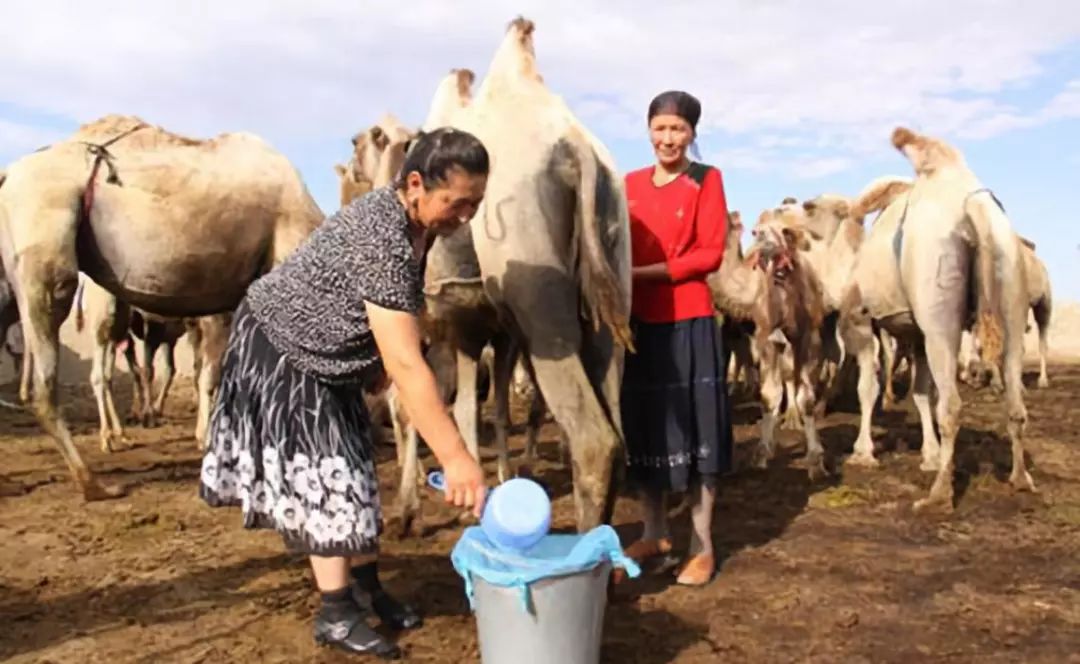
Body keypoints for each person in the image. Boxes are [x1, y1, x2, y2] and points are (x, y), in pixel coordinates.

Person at [198, 127, 491, 658]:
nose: (465, 217)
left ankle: (365, 586)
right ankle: (335, 611)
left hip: (332, 357)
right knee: (328, 478)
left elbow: (392, 326)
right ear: (418, 184)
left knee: (358, 469)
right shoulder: (382, 233)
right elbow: (408, 361)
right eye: (457, 203)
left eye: (476, 204)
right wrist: (455, 456)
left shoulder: (416, 226)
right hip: (284, 349)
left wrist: (374, 359)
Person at [618, 90, 735, 587]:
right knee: (645, 430)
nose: (668, 139)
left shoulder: (706, 180)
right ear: (648, 130)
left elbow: (709, 254)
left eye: (678, 130)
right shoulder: (627, 185)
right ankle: (655, 532)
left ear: (692, 134)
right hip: (638, 325)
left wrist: (640, 274)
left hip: (688, 320)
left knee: (697, 430)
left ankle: (702, 543)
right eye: (660, 128)